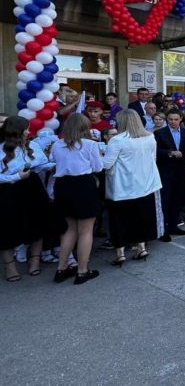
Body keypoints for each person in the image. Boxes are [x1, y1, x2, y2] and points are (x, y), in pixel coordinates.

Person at [103, 110, 163, 265]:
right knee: (140, 218)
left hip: (123, 186)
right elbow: (153, 158)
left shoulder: (117, 140)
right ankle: (141, 248)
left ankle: (120, 253)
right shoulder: (149, 137)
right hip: (144, 184)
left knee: (119, 220)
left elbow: (106, 164)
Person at [50, 114, 104, 284]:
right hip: (83, 185)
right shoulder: (90, 144)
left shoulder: (57, 144)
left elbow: (54, 161)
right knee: (85, 230)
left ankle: (61, 268)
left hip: (63, 185)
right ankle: (82, 270)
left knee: (70, 229)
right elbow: (98, 167)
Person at [0, 116, 55, 283]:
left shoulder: (32, 145)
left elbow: (41, 164)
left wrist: (55, 164)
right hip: (9, 190)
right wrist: (17, 176)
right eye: (26, 129)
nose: (28, 132)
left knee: (36, 223)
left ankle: (35, 260)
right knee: (8, 228)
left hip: (32, 187)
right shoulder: (1, 148)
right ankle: (9, 266)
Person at [154, 109, 185, 241]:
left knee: (177, 200)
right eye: (170, 119)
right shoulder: (159, 133)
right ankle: (163, 230)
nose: (173, 122)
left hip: (181, 171)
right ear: (167, 119)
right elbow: (155, 151)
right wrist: (170, 153)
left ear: (181, 119)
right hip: (165, 171)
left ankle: (173, 226)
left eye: (176, 119)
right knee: (165, 201)